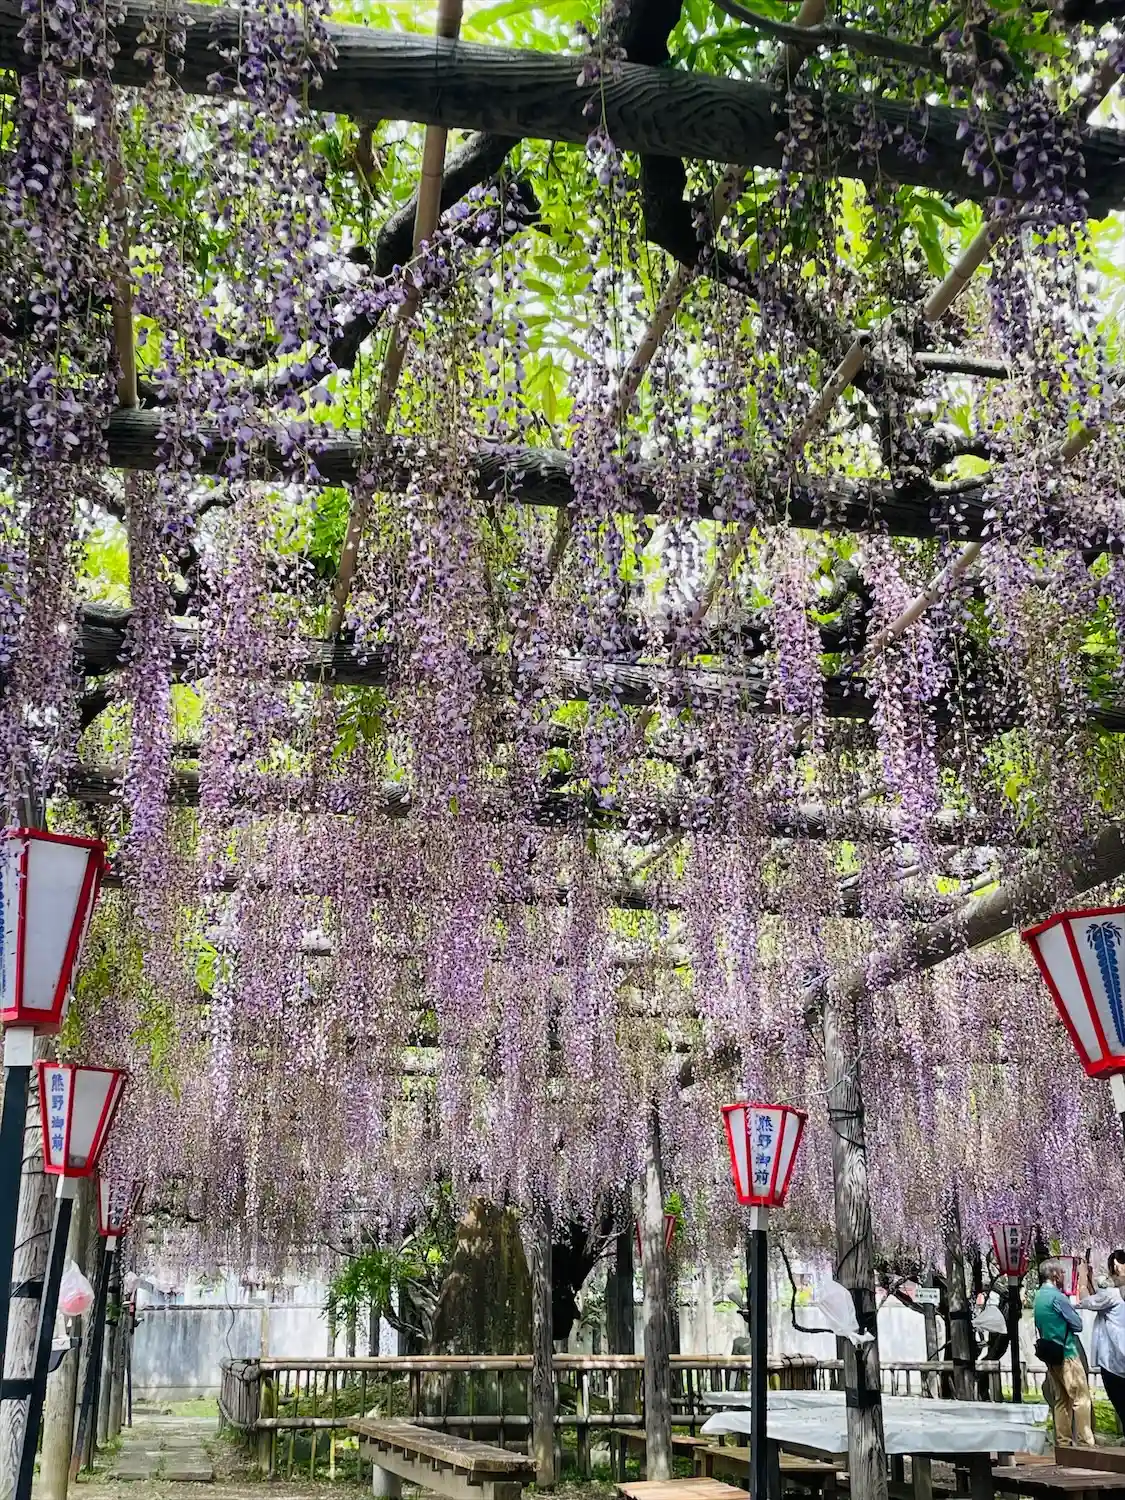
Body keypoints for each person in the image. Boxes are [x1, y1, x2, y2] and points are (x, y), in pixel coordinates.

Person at [1034, 1259, 1095, 1447]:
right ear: (1054, 1275)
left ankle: (1063, 1442)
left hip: (1050, 1354)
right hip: (1067, 1352)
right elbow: (1077, 1324)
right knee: (1081, 1398)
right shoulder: (1057, 1297)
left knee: (1061, 1400)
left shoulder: (1038, 1296)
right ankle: (1085, 1442)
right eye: (1061, 1272)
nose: (1063, 1275)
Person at [1080, 1250, 1125, 1431]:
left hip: (1114, 1361)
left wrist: (1082, 1278)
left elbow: (1086, 1302)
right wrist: (1090, 1280)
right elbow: (1097, 1298)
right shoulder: (1111, 1295)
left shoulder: (1112, 1295)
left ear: (1115, 1268)